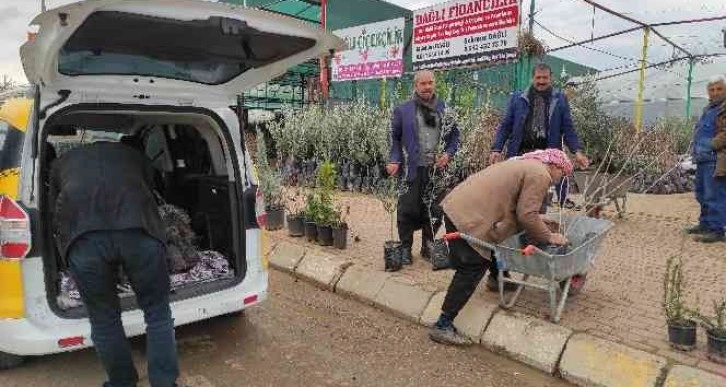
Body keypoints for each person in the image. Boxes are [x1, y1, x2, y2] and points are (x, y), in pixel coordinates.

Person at [49, 141, 180, 387]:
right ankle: (164, 383)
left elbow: (53, 211)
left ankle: (122, 382)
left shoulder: (60, 164)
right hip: (139, 233)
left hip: (84, 241)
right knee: (157, 312)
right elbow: (155, 192)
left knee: (104, 319)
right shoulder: (136, 157)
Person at [429, 149, 572, 345]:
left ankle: (497, 279)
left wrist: (539, 223)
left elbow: (521, 209)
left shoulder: (526, 163)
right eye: (562, 174)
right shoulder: (541, 174)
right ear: (556, 166)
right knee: (472, 266)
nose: (559, 180)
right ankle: (443, 324)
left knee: (490, 246)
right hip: (472, 216)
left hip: (460, 204)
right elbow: (527, 215)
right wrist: (549, 236)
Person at [489, 63, 589, 208]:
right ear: (532, 78)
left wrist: (577, 152)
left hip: (546, 158)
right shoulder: (518, 98)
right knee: (514, 193)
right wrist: (496, 149)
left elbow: (568, 128)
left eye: (545, 78)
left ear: (551, 78)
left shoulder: (560, 99)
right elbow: (506, 125)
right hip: (520, 154)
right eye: (538, 78)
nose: (541, 81)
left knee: (537, 196)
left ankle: (535, 223)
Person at [387, 70, 460, 265]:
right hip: (411, 169)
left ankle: (428, 246)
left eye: (430, 83)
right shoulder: (403, 110)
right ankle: (405, 248)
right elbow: (393, 138)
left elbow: (455, 137)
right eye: (423, 84)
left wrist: (448, 155)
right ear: (416, 86)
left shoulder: (444, 108)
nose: (427, 87)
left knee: (434, 210)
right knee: (407, 209)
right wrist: (394, 159)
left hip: (435, 171)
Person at [685, 76, 726, 243]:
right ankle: (705, 224)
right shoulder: (708, 108)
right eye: (712, 89)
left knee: (714, 195)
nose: (715, 92)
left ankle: (717, 230)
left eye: (719, 89)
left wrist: (710, 144)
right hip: (702, 159)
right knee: (701, 193)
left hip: (715, 159)